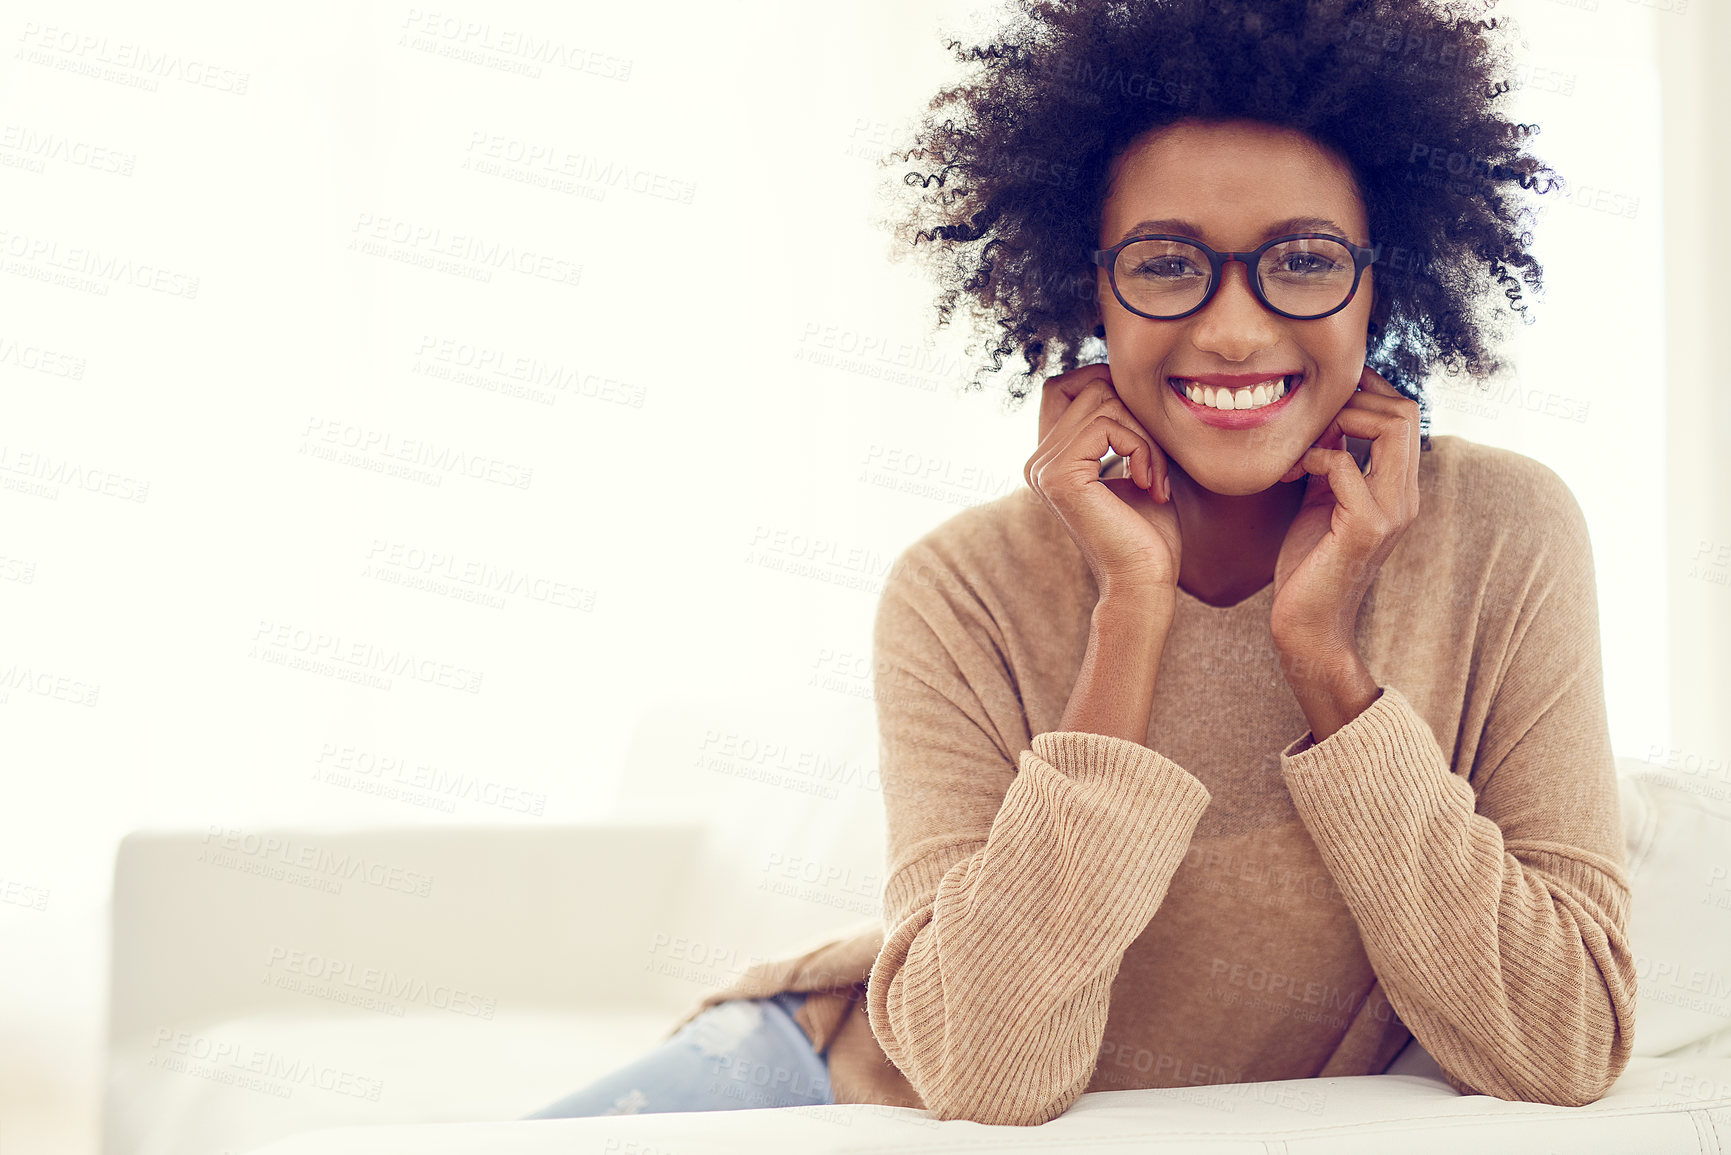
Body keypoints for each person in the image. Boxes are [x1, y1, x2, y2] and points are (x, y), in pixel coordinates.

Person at [524, 0, 1635, 1126]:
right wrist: (1130, 616)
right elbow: (980, 1072)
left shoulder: (1504, 537)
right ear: (1087, 289)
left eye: (1301, 261)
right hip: (817, 1081)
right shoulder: (958, 589)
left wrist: (1324, 661)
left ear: (1381, 282)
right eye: (1166, 265)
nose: (1236, 331)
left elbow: (1566, 1042)